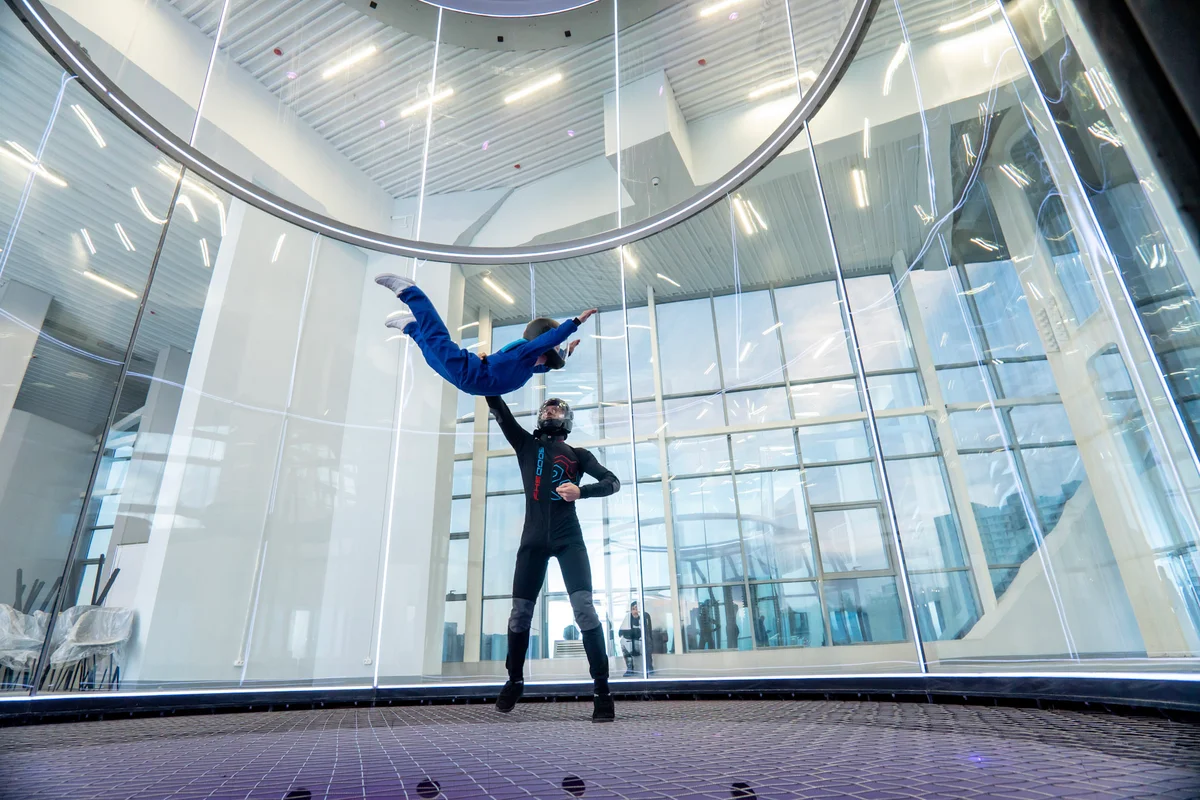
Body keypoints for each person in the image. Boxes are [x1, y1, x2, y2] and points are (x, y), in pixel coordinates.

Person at [487, 392, 621, 722]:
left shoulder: (579, 455)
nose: (550, 411)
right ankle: (514, 680)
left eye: (556, 408)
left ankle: (602, 690)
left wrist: (582, 491)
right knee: (520, 614)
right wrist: (488, 378)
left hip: (568, 539)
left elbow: (612, 482)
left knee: (584, 610)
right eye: (546, 407)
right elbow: (500, 409)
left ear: (566, 418)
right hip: (532, 540)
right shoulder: (526, 445)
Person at [375, 273, 597, 396]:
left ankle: (411, 328)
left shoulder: (529, 368)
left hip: (467, 381)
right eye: (552, 350)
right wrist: (576, 322)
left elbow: (553, 364)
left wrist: (568, 352)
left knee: (433, 357)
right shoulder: (525, 355)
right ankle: (409, 291)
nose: (552, 354)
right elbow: (550, 340)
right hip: (471, 372)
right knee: (437, 338)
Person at [618, 600, 654, 677]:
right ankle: (630, 668)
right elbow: (620, 632)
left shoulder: (645, 616)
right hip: (631, 641)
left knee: (647, 642)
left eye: (636, 608)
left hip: (642, 641)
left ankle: (649, 667)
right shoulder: (628, 617)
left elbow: (647, 632)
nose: (635, 611)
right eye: (633, 609)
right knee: (623, 642)